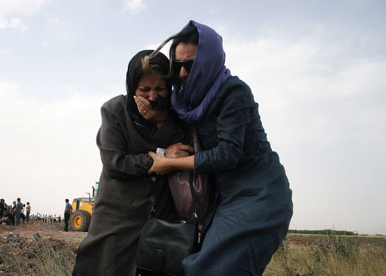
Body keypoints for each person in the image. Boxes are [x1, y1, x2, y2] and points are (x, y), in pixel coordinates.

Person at [148, 21, 294, 276]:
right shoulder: (188, 102)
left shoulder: (233, 92)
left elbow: (227, 154)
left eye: (191, 65)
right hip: (227, 198)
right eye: (178, 66)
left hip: (259, 194)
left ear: (208, 61)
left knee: (210, 270)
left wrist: (169, 164)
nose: (182, 74)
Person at [73, 50, 190, 276]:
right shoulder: (115, 111)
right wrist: (161, 157)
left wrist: (159, 120)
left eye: (160, 89)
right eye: (144, 90)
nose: (153, 97)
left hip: (161, 221)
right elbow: (114, 162)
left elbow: (185, 150)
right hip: (117, 219)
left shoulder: (178, 116)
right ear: (131, 87)